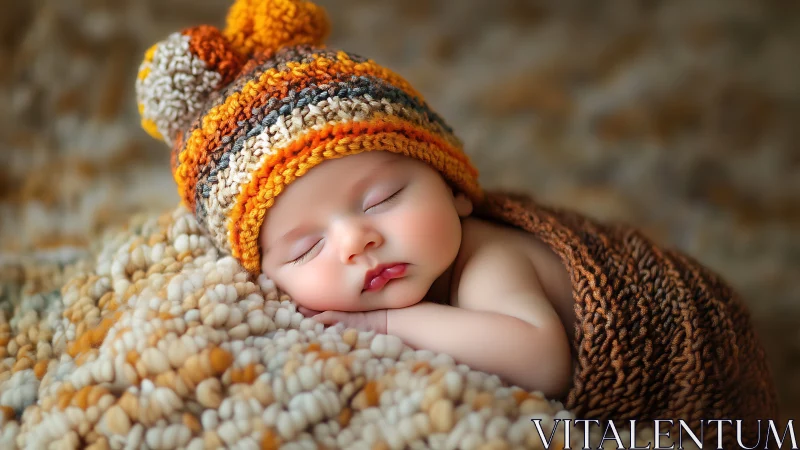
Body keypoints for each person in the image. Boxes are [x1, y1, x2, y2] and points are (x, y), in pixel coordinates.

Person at [135, 0, 779, 446]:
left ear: (456, 190)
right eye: (305, 249)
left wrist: (389, 323)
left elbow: (543, 359)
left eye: (382, 198)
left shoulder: (490, 258)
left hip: (697, 370)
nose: (356, 240)